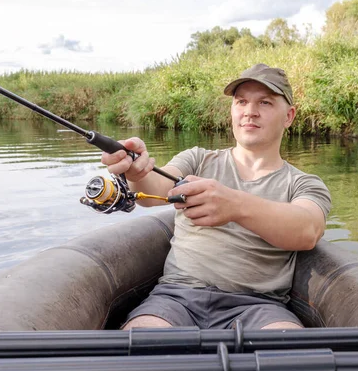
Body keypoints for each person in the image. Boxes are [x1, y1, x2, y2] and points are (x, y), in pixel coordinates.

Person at [101, 63, 331, 330]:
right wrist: (136, 171)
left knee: (290, 348)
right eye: (241, 101)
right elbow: (153, 193)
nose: (249, 112)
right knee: (143, 336)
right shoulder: (197, 159)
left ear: (289, 116)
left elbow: (307, 229)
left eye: (265, 103)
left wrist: (235, 205)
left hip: (260, 306)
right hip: (177, 297)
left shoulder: (304, 183)